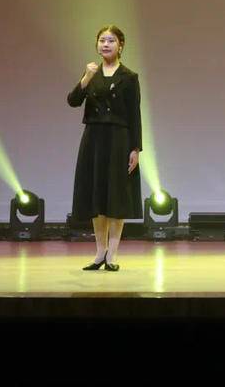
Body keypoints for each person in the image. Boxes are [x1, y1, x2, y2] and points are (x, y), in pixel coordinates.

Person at [67, 25, 142, 271]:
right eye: (102, 40)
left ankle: (113, 255)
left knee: (116, 196)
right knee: (96, 195)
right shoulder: (92, 73)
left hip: (119, 139)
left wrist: (135, 148)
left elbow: (134, 115)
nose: (106, 44)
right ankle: (99, 252)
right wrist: (85, 78)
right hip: (94, 138)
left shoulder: (129, 77)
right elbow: (73, 101)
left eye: (111, 40)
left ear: (121, 45)